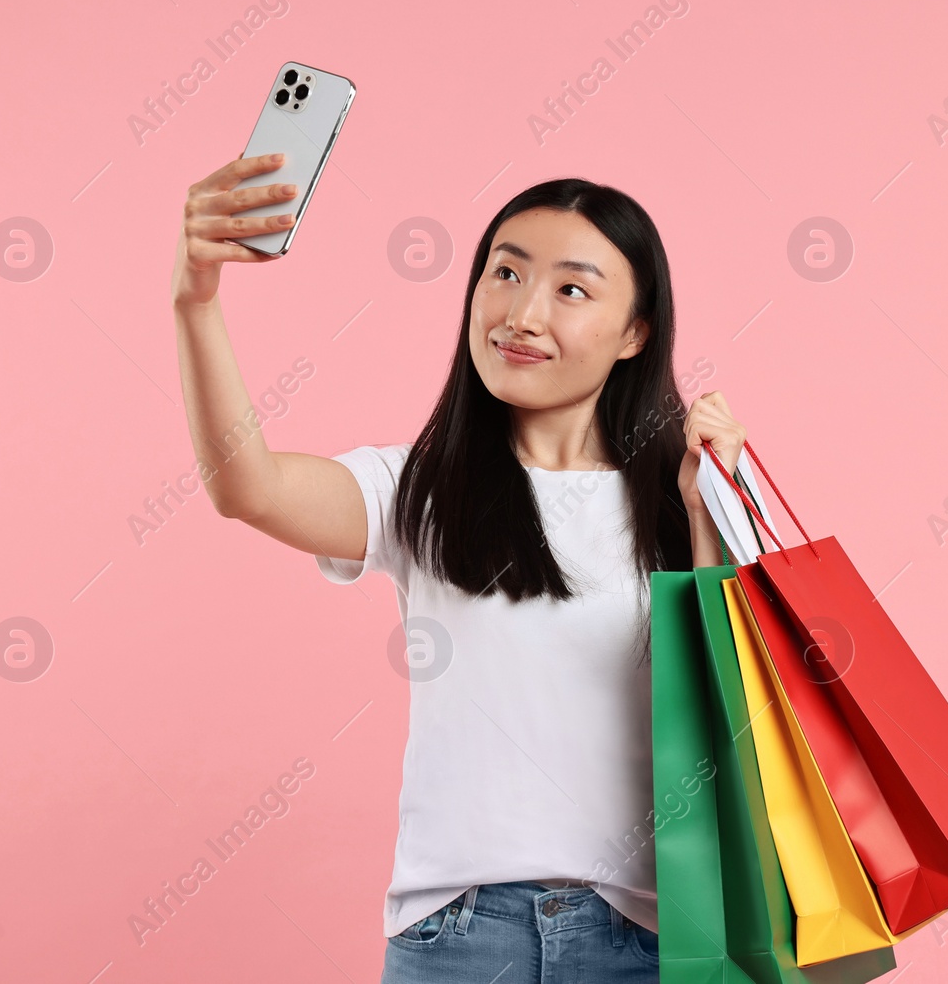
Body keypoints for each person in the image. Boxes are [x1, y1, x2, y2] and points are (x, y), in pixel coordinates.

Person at [170, 156, 748, 983]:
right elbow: (246, 485)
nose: (520, 312)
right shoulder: (422, 489)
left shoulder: (677, 499)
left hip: (649, 937)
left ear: (636, 333)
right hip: (461, 938)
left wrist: (711, 508)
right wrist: (196, 299)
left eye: (570, 290)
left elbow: (724, 702)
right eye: (504, 272)